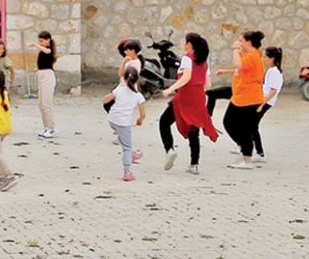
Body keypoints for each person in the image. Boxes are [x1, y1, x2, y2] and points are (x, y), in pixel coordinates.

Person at [160, 32, 220, 174]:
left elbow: (186, 77)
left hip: (185, 95)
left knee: (164, 122)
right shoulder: (204, 62)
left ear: (189, 44)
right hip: (198, 97)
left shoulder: (187, 58)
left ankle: (169, 149)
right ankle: (194, 164)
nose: (183, 44)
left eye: (185, 41)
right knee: (194, 129)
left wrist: (170, 89)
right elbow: (208, 84)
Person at [222, 30, 267, 170]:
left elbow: (239, 64)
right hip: (241, 97)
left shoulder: (253, 57)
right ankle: (245, 150)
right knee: (232, 124)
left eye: (241, 41)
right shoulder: (252, 55)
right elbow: (242, 69)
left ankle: (247, 158)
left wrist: (235, 49)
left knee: (239, 127)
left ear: (248, 42)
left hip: (248, 98)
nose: (239, 43)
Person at [103, 66, 147, 182]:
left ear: (124, 78)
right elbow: (143, 114)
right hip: (124, 123)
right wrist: (140, 120)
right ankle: (127, 171)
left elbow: (105, 100)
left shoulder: (119, 90)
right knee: (127, 147)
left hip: (112, 120)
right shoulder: (138, 96)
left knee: (123, 138)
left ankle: (131, 154)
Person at [251, 46, 284, 162]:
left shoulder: (274, 72)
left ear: (272, 58)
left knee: (252, 125)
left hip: (265, 101)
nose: (264, 59)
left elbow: (273, 91)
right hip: (262, 99)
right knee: (252, 125)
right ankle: (251, 148)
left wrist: (261, 104)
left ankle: (258, 152)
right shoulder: (272, 70)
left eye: (265, 57)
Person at [29, 31, 58, 138]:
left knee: (47, 104)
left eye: (41, 41)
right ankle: (46, 126)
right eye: (39, 41)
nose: (40, 43)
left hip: (48, 77)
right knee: (41, 104)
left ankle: (52, 128)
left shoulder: (49, 50)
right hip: (41, 75)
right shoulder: (42, 51)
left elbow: (47, 51)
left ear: (48, 40)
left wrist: (36, 45)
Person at [104, 39, 143, 113]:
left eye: (127, 50)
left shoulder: (134, 63)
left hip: (126, 87)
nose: (125, 52)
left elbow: (121, 74)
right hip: (124, 86)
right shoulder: (133, 61)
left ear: (133, 50)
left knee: (109, 104)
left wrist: (124, 62)